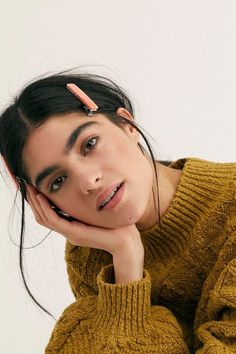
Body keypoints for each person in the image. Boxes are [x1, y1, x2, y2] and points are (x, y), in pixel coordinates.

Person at [0, 70, 235, 354]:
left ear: (127, 124)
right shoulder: (91, 255)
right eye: (58, 181)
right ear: (46, 203)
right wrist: (126, 260)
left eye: (89, 144)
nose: (88, 181)